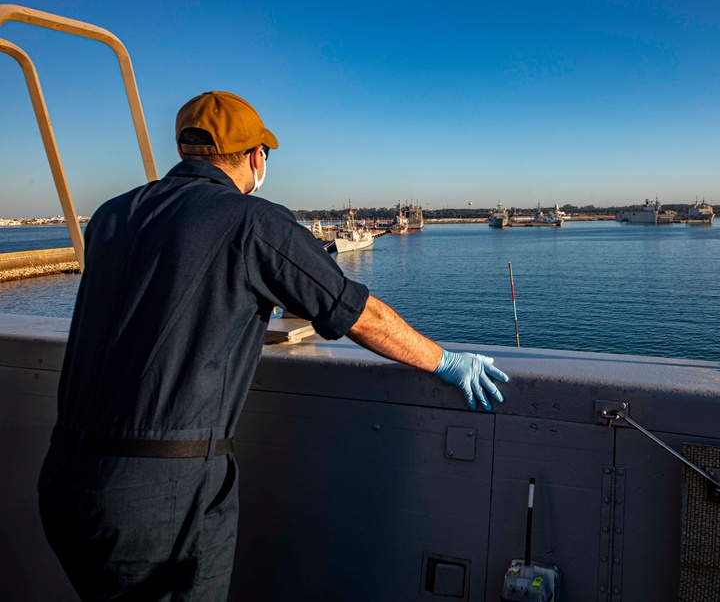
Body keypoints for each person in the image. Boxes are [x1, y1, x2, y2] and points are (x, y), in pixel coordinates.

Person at [37, 91, 509, 601]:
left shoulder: (112, 215)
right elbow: (357, 313)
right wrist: (445, 361)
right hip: (162, 493)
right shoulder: (253, 221)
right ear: (257, 156)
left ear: (184, 148)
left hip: (66, 476)